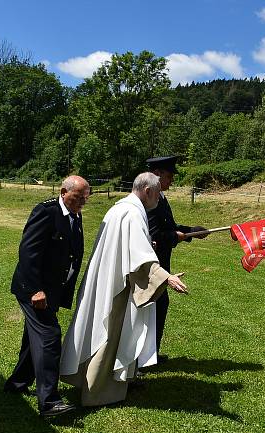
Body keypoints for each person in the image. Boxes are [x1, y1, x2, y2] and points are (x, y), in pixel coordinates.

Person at [60, 172, 189, 407]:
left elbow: (131, 247)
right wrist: (166, 278)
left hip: (110, 279)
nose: (160, 199)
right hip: (116, 286)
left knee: (104, 330)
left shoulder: (122, 208)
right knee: (111, 333)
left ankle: (97, 381)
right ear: (148, 191)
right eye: (158, 193)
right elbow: (141, 259)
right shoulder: (131, 213)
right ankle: (98, 391)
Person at [4, 175, 90, 418]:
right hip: (33, 289)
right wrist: (35, 290)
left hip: (51, 290)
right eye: (78, 197)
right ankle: (49, 403)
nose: (82, 202)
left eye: (85, 199)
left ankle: (17, 383)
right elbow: (28, 252)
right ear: (64, 191)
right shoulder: (46, 212)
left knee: (34, 340)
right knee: (49, 336)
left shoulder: (75, 214)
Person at [146, 155, 206, 360]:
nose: (172, 180)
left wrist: (191, 231)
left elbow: (168, 227)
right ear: (157, 175)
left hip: (161, 264)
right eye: (169, 175)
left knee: (160, 305)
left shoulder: (160, 198)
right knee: (152, 308)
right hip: (150, 267)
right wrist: (176, 237)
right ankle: (143, 358)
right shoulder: (149, 201)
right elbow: (153, 234)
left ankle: (150, 353)